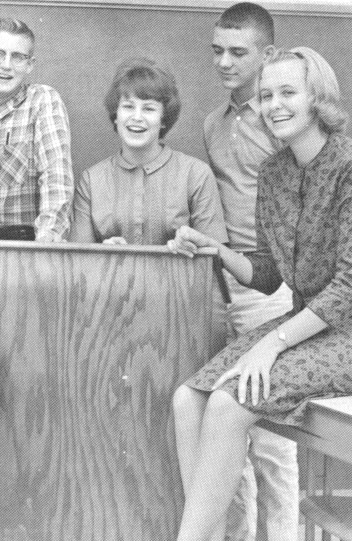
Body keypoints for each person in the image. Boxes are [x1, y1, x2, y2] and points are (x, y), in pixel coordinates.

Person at [169, 46, 351, 541]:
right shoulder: (275, 173)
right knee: (189, 400)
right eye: (266, 95)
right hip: (307, 326)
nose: (274, 105)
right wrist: (217, 250)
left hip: (347, 333)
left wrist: (272, 344)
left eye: (288, 93)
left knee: (228, 404)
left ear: (318, 98)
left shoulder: (349, 165)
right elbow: (270, 273)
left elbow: (348, 288)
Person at [202, 3, 297, 540]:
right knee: (228, 438)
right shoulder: (212, 124)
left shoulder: (286, 121)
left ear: (268, 54)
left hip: (276, 291)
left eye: (238, 52)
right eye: (217, 51)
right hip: (223, 288)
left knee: (274, 442)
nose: (224, 62)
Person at [69, 57, 227, 248]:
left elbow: (213, 255)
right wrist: (104, 253)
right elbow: (78, 259)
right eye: (128, 106)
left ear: (163, 119)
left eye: (149, 109)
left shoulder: (196, 174)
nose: (137, 117)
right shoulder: (91, 181)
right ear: (116, 115)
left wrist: (188, 246)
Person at [0, 17, 73, 241]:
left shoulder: (41, 101)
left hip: (21, 243)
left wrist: (47, 241)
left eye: (17, 57)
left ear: (30, 65)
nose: (6, 65)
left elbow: (56, 179)